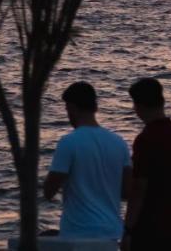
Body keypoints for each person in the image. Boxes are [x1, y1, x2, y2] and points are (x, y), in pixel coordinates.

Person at [43, 81, 132, 242]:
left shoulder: (68, 142)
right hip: (112, 232)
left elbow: (49, 191)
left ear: (71, 108)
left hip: (78, 232)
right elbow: (126, 192)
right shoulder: (119, 143)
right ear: (94, 107)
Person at [122, 77, 171, 251]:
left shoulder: (145, 139)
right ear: (162, 101)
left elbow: (140, 188)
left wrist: (128, 229)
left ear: (138, 106)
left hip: (150, 226)